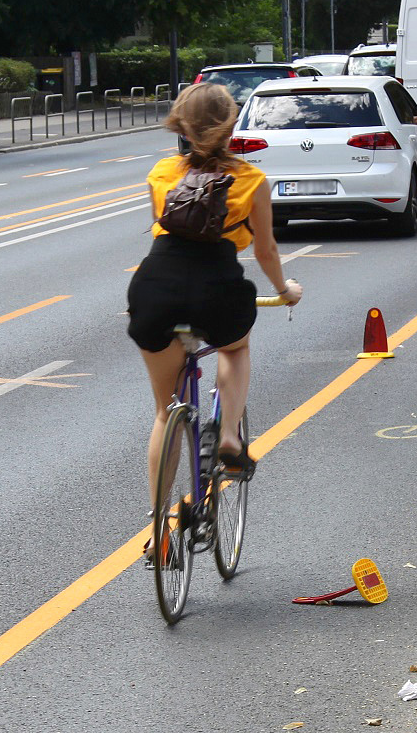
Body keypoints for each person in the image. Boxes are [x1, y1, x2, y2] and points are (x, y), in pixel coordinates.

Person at [126, 83, 303, 523]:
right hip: (216, 285)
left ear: (182, 127)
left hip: (156, 285)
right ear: (230, 129)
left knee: (164, 412)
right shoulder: (251, 180)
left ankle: (160, 528)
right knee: (235, 346)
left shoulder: (162, 173)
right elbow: (266, 252)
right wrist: (284, 290)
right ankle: (228, 437)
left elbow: (162, 230)